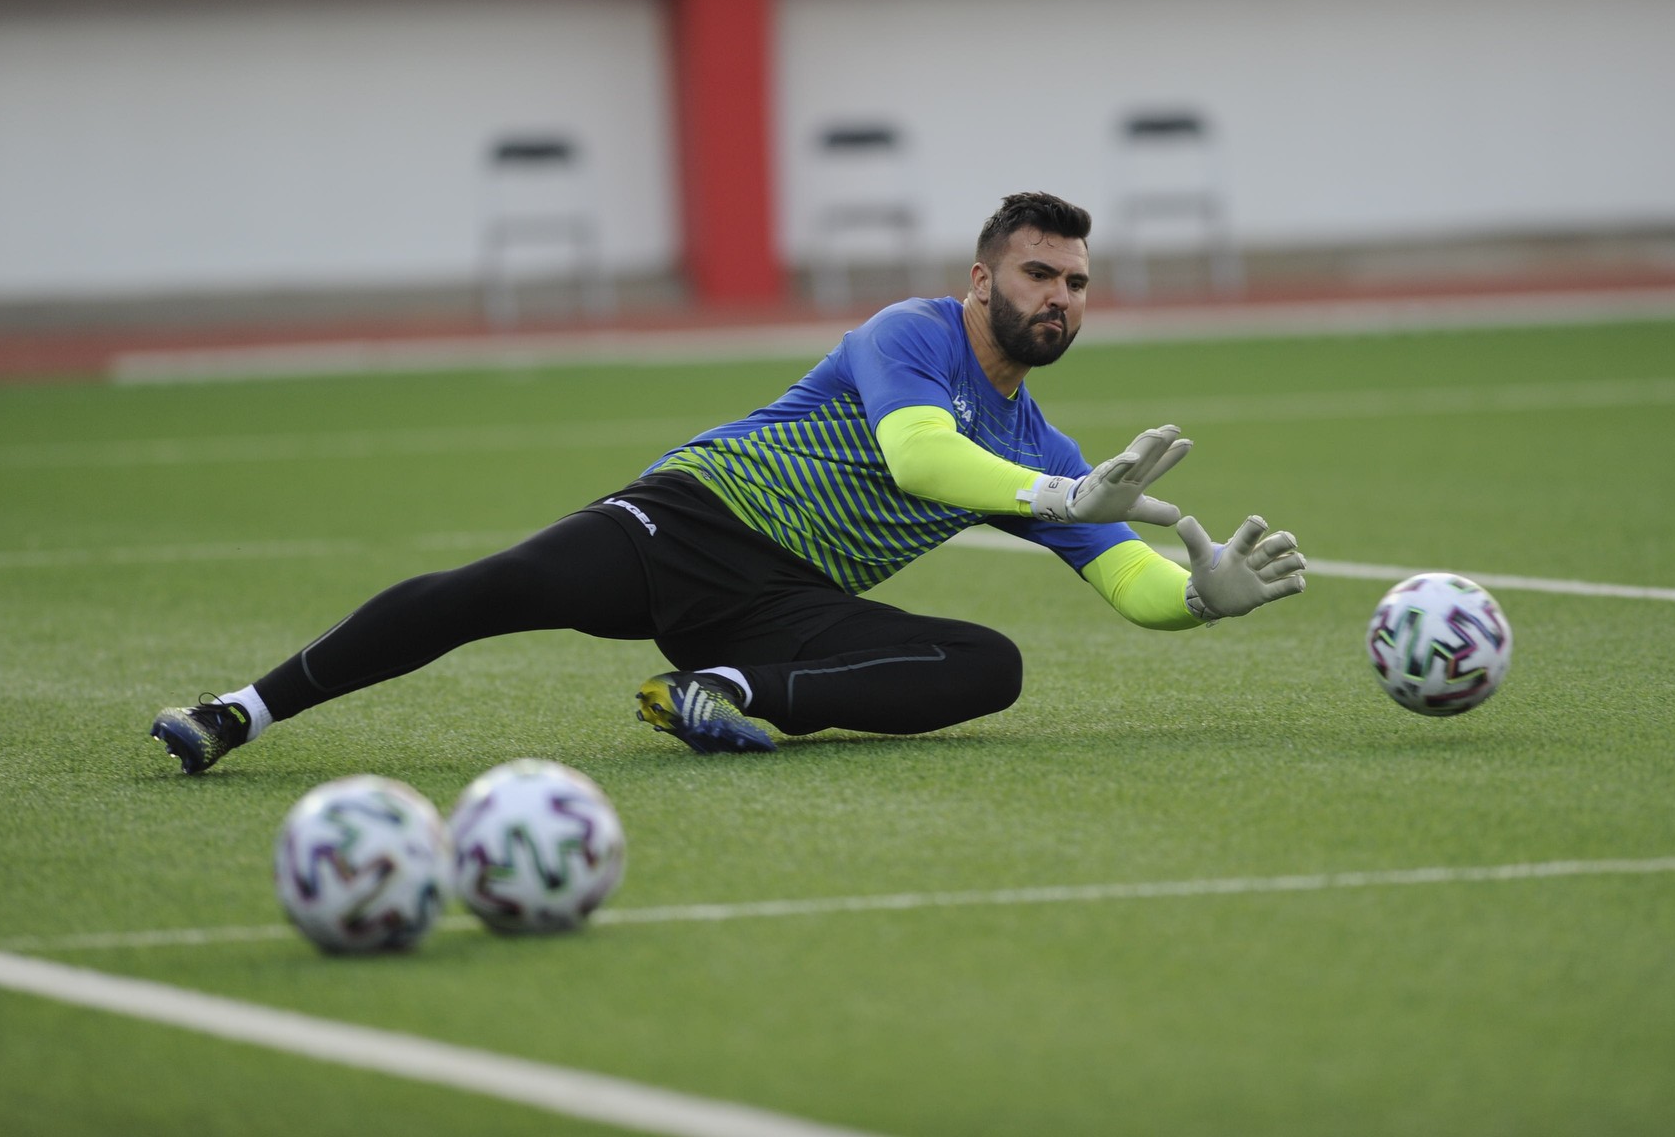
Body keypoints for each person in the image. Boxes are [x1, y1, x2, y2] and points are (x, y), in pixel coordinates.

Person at [151, 192, 1307, 773]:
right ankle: (238, 713)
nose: (1060, 296)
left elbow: (1129, 583)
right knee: (485, 593)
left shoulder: (1051, 450)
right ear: (980, 278)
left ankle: (725, 692)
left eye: (1078, 283)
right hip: (691, 519)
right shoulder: (909, 331)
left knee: (988, 666)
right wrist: (1055, 501)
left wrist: (1198, 596)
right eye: (1039, 273)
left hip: (780, 609)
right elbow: (918, 457)